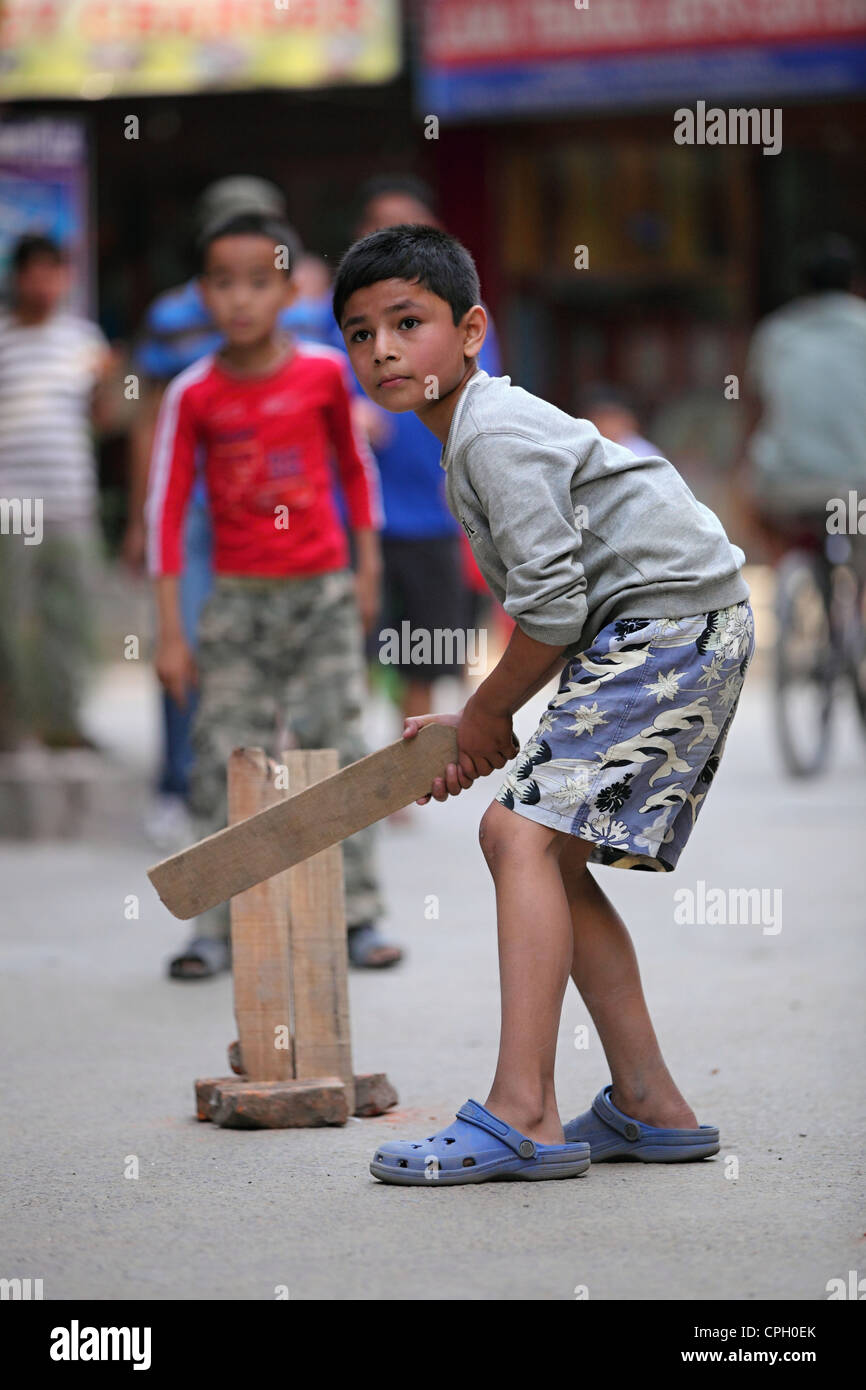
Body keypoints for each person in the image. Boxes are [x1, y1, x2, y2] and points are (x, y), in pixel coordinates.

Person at [332, 223, 755, 1185]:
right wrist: (482, 718)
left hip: (670, 626)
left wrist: (482, 718)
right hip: (667, 627)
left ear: (472, 328)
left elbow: (554, 610)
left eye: (409, 322)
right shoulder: (468, 438)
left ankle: (524, 1110)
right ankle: (650, 1102)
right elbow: (555, 606)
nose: (384, 349)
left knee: (515, 837)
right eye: (360, 333)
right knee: (545, 848)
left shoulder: (490, 432)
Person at [145, 210, 402, 979]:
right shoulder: (193, 394)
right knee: (225, 758)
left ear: (289, 289)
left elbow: (356, 473)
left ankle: (358, 914)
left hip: (322, 592)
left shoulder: (325, 374)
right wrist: (168, 629)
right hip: (235, 602)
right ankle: (211, 928)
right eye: (223, 283)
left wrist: (366, 572)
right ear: (202, 294)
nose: (242, 300)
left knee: (338, 750)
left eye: (260, 281)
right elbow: (164, 508)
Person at [125, 178, 300, 851]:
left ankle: (258, 783)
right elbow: (150, 417)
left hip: (269, 507)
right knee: (183, 643)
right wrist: (147, 517)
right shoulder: (175, 314)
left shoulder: (301, 303)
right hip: (196, 508)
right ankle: (177, 785)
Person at [349, 175, 503, 729]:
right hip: (359, 518)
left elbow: (488, 405)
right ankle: (341, 765)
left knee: (422, 651)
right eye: (378, 226)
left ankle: (404, 767)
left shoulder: (462, 319)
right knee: (354, 647)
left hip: (435, 513)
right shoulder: (339, 320)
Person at [0, 234, 113, 751]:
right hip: (13, 501)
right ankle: (13, 725)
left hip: (72, 497)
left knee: (71, 616)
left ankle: (64, 722)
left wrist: (107, 385)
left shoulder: (84, 341)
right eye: (36, 273)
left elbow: (103, 421)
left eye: (55, 272)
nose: (45, 284)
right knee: (10, 615)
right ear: (18, 278)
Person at [736, 234, 866, 566]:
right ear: (854, 282)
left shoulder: (776, 333)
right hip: (858, 485)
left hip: (785, 485)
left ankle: (784, 573)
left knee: (751, 502)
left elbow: (755, 411)